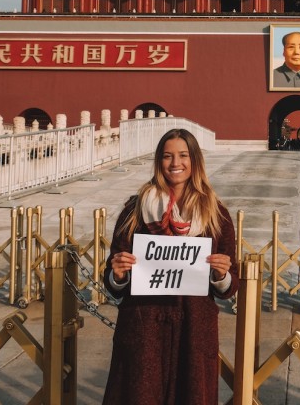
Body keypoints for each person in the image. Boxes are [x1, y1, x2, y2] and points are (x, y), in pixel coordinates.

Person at [102, 128, 239, 404]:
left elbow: (229, 287)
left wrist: (221, 274)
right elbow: (113, 279)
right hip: (143, 328)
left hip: (194, 327)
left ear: (195, 160)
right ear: (158, 162)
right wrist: (117, 274)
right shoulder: (137, 209)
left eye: (182, 156)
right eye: (167, 156)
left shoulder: (215, 213)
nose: (175, 164)